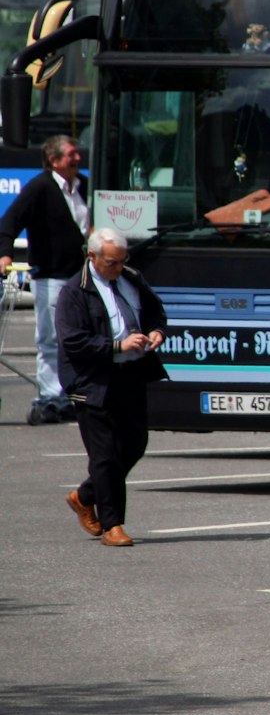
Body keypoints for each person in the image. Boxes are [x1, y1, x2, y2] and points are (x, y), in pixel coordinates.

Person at [56, 227, 168, 547]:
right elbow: (74, 341)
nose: (117, 269)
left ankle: (84, 496)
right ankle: (112, 525)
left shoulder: (131, 277)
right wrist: (117, 346)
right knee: (104, 456)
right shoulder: (74, 291)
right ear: (92, 257)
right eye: (111, 263)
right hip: (93, 381)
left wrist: (157, 330)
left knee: (134, 444)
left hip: (130, 375)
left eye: (122, 261)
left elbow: (155, 311)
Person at [0, 134, 91, 425]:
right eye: (71, 155)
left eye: (77, 154)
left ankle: (75, 393)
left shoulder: (84, 186)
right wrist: (5, 256)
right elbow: (10, 221)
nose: (77, 159)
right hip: (51, 276)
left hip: (82, 276)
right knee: (51, 337)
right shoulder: (40, 187)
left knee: (81, 337)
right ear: (54, 160)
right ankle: (52, 395)